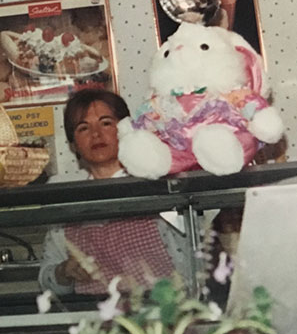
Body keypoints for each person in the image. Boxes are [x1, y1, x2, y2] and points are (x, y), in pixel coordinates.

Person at [38, 89, 193, 297]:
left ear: (124, 129)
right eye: (84, 128)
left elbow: (192, 266)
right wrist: (63, 272)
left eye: (106, 123)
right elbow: (48, 283)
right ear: (73, 144)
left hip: (160, 314)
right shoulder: (69, 207)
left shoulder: (156, 191)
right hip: (95, 320)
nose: (96, 134)